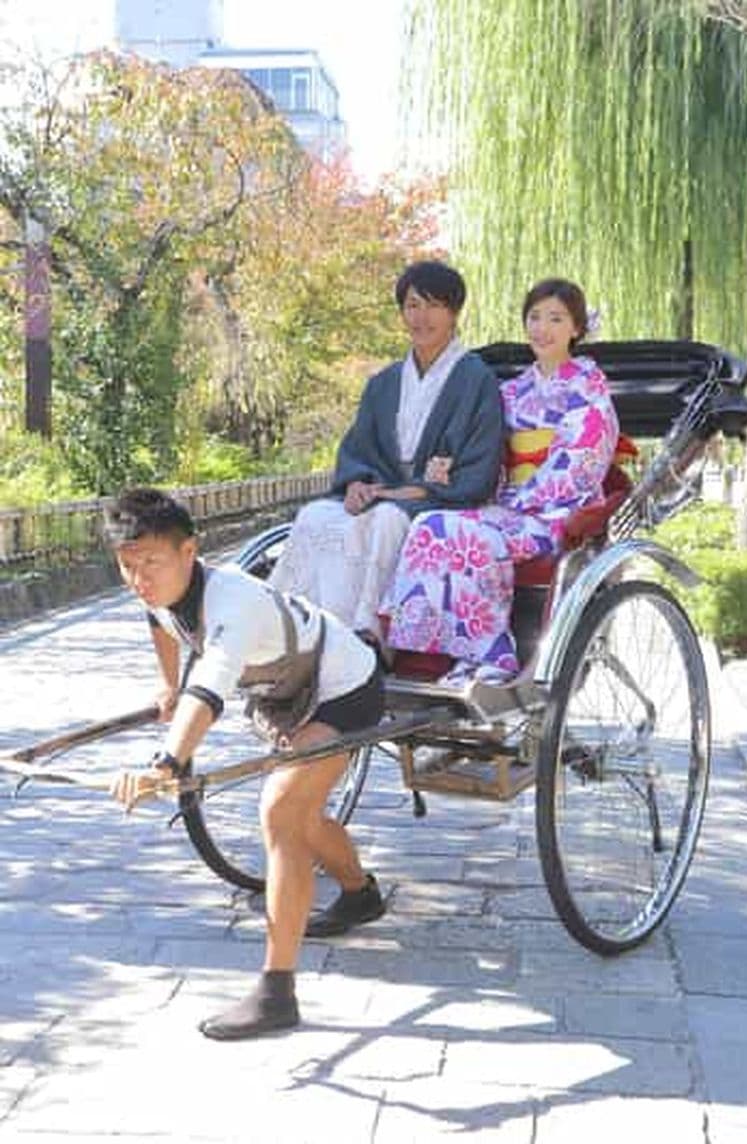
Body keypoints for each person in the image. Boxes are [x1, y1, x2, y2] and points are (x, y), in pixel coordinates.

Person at [105, 487, 387, 1041]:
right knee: (302, 818)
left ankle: (277, 993)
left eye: (152, 563)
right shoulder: (159, 589)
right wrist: (167, 686)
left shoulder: (232, 602)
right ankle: (360, 893)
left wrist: (166, 764)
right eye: (127, 566)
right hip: (287, 692)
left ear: (191, 552)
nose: (140, 579)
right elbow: (157, 621)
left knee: (281, 812)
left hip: (345, 687)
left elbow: (208, 691)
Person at [381, 278, 620, 683]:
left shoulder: (590, 392)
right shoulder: (510, 391)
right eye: (535, 317)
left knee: (474, 536)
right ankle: (420, 655)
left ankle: (492, 658)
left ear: (576, 329)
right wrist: (450, 466)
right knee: (428, 525)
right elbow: (479, 444)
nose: (542, 328)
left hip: (555, 515)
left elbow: (581, 462)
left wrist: (515, 503)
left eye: (556, 319)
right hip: (505, 508)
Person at [268, 259, 504, 652]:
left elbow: (478, 463)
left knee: (386, 522)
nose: (421, 317)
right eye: (412, 305)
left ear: (454, 313)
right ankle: (295, 624)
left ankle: (367, 635)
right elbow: (359, 447)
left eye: (433, 306)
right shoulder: (384, 383)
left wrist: (408, 493)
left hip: (435, 497)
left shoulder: (476, 379)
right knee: (316, 515)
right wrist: (358, 483)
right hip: (382, 494)